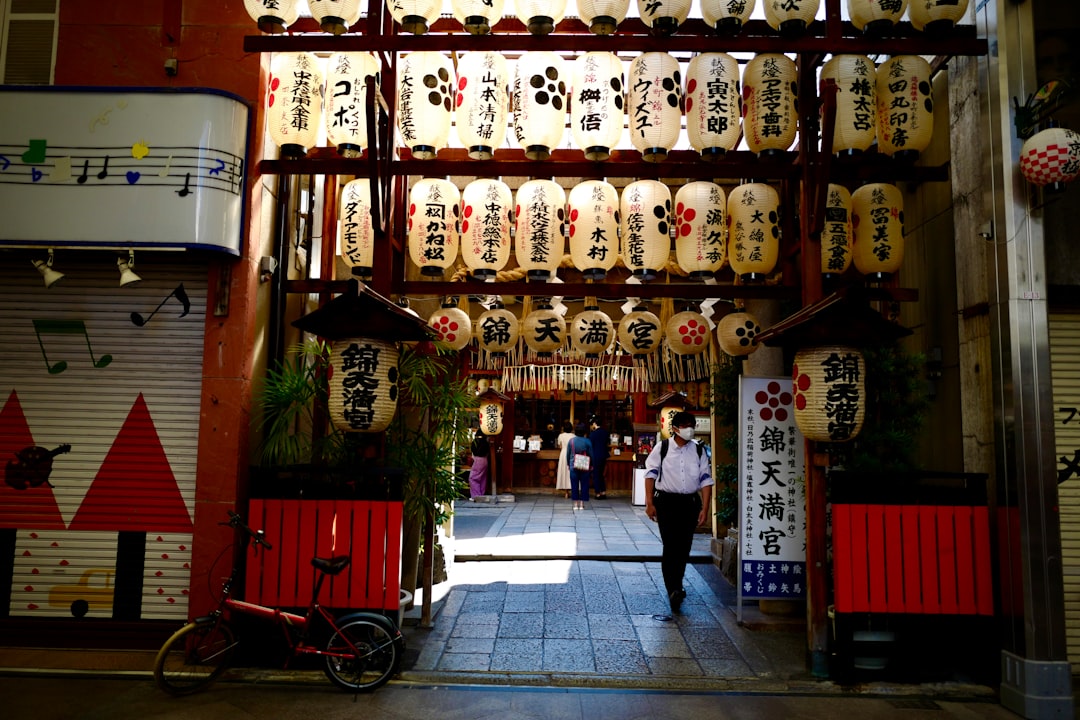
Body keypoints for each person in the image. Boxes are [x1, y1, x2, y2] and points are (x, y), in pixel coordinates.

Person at [643, 411, 713, 613]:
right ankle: (673, 587)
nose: (689, 429)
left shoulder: (699, 450)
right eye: (685, 425)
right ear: (674, 428)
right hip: (666, 502)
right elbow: (650, 474)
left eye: (692, 425)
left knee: (684, 547)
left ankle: (677, 583)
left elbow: (706, 480)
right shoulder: (662, 448)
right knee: (671, 544)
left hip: (690, 503)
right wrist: (649, 502)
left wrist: (705, 508)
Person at [566, 422, 594, 511]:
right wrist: (592, 465)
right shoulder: (588, 441)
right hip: (585, 466)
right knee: (584, 485)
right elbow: (592, 455)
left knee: (574, 485)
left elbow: (568, 454)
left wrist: (568, 463)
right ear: (584, 432)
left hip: (573, 465)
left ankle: (575, 504)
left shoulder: (571, 441)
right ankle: (582, 504)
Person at [588, 416, 610, 499]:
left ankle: (598, 493)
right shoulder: (605, 432)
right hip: (604, 455)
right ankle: (603, 492)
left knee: (596, 474)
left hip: (595, 456)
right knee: (601, 474)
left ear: (594, 423)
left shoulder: (593, 434)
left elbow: (590, 445)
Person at [468, 431, 490, 500]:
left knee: (473, 478)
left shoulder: (475, 442)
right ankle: (481, 494)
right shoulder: (486, 442)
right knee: (483, 478)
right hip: (485, 460)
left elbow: (473, 450)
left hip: (478, 460)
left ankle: (476, 496)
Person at [555, 421, 574, 499]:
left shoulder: (561, 435)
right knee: (570, 471)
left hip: (563, 453)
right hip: (571, 454)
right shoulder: (574, 436)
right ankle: (570, 489)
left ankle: (566, 492)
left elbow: (560, 446)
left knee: (564, 471)